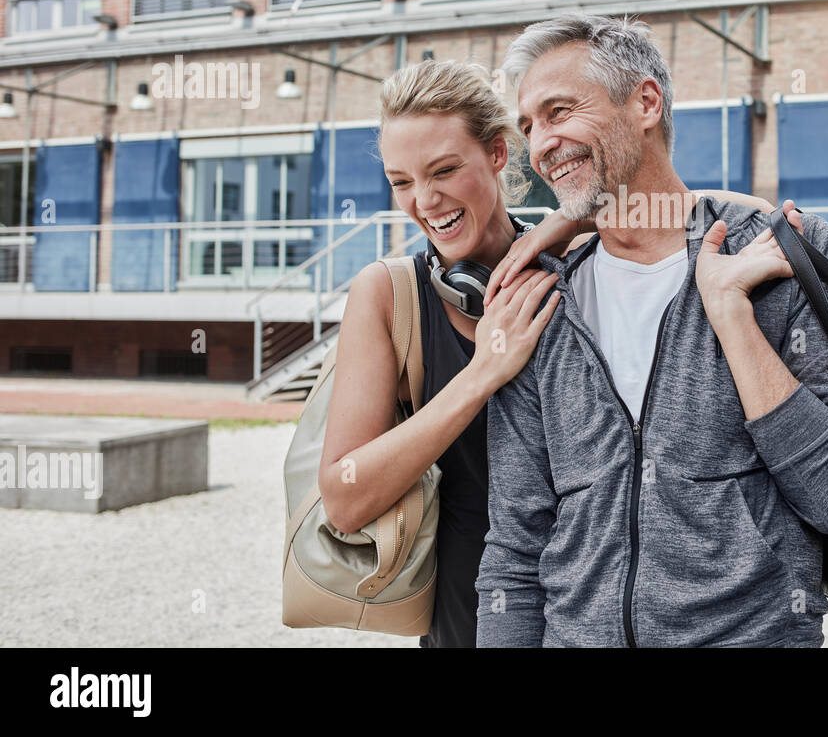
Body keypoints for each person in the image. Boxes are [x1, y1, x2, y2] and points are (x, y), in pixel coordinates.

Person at [317, 57, 774, 647]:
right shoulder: (386, 294)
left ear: (499, 155)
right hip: (465, 613)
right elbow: (344, 499)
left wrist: (561, 222)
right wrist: (483, 373)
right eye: (402, 181)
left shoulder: (577, 257)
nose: (425, 201)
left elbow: (731, 213)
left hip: (588, 612)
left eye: (445, 170)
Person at [474, 14, 828, 648]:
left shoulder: (782, 257)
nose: (541, 144)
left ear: (646, 102)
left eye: (559, 111)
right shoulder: (538, 303)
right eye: (529, 127)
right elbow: (516, 547)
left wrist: (732, 317)